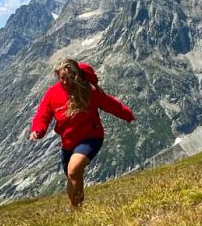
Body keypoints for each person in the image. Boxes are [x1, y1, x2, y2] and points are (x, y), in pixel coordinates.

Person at [29, 59, 135, 207]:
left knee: (73, 170)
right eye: (62, 78)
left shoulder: (87, 90)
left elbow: (109, 103)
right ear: (58, 77)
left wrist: (127, 114)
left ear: (75, 75)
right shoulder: (52, 94)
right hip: (68, 143)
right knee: (72, 177)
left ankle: (78, 208)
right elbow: (43, 114)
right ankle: (77, 211)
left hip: (91, 137)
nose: (66, 82)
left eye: (69, 78)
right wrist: (38, 130)